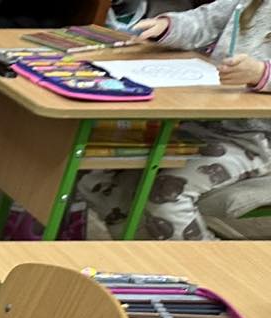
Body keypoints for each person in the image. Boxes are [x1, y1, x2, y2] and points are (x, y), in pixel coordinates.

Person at [81, 1, 271, 240]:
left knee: (167, 194)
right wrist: (168, 26)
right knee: (97, 180)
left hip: (256, 141)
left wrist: (261, 73)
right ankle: (145, 253)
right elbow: (203, 21)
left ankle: (200, 262)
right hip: (198, 123)